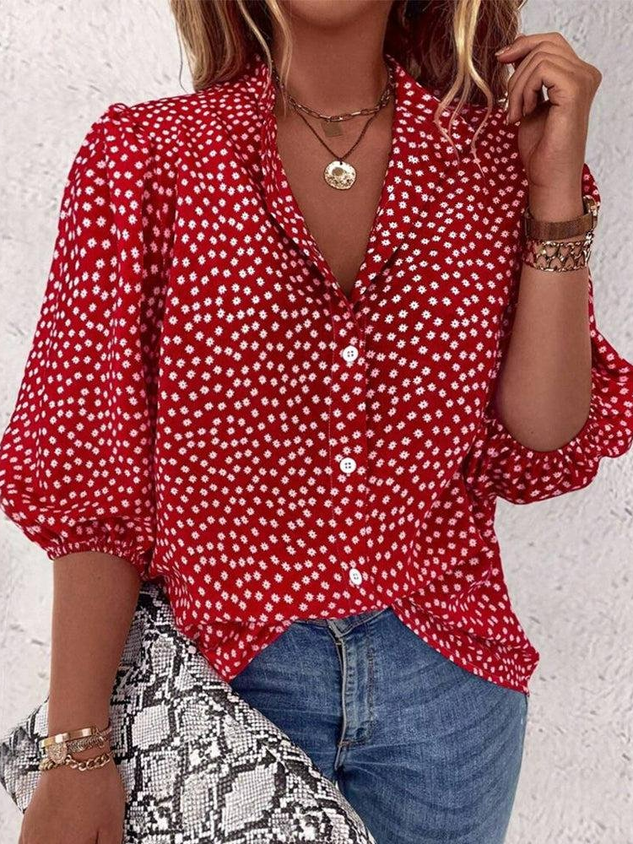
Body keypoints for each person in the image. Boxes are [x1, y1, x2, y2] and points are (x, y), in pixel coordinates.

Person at [1, 1, 631, 843]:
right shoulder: (148, 157)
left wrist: (552, 187)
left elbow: (542, 428)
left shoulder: (493, 157)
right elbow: (92, 467)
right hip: (226, 687)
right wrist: (76, 747)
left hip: (450, 689)